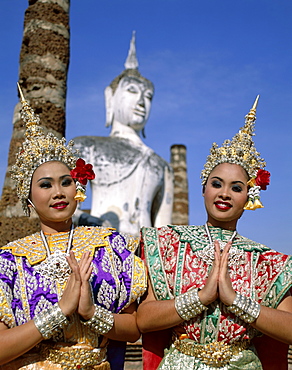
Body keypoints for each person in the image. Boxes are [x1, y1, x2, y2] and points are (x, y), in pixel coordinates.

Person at [137, 96, 292, 369]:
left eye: (236, 187)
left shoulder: (269, 262)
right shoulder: (168, 244)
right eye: (217, 183)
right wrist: (201, 297)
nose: (224, 193)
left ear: (249, 197)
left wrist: (235, 301)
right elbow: (144, 319)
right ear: (204, 189)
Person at [0, 85, 147, 369]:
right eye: (45, 185)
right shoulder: (9, 261)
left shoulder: (109, 245)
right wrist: (60, 312)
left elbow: (133, 328)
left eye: (66, 182)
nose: (58, 192)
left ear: (77, 188)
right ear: (29, 200)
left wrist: (92, 312)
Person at [73, 32, 174, 236]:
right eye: (132, 91)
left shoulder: (161, 166)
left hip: (142, 254)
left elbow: (163, 231)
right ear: (110, 98)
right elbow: (65, 209)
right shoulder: (86, 147)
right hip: (98, 245)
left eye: (148, 96)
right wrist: (92, 222)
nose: (141, 102)